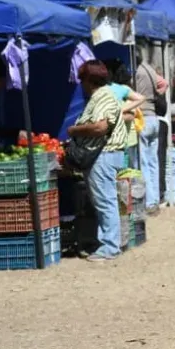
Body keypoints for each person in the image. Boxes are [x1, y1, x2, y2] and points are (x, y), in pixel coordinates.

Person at [68, 60, 129, 262]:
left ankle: (110, 247)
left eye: (82, 79)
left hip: (104, 156)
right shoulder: (104, 95)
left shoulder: (102, 97)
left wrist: (74, 130)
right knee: (106, 200)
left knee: (105, 201)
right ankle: (108, 243)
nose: (81, 84)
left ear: (89, 80)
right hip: (108, 155)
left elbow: (100, 127)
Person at [134, 55, 167, 214]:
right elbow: (164, 83)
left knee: (144, 163)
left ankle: (148, 202)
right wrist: (156, 94)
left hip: (143, 118)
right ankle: (155, 200)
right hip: (154, 118)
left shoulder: (137, 72)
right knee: (153, 162)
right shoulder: (150, 69)